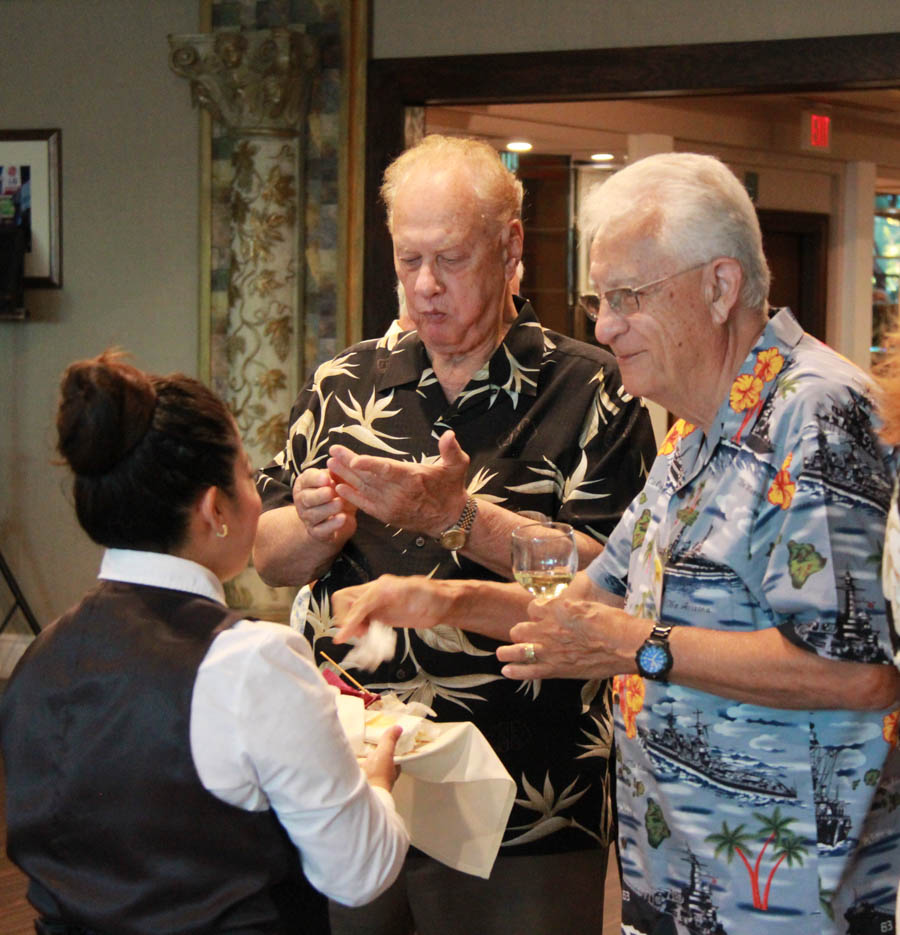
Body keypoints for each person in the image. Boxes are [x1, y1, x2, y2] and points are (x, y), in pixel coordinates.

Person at [253, 134, 657, 934]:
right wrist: (312, 526)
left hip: (527, 792)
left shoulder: (595, 387)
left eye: (452, 259)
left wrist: (457, 520)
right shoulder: (346, 382)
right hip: (354, 781)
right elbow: (266, 557)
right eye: (409, 261)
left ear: (510, 248)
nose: (427, 286)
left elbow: (618, 576)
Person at [491, 152, 900, 934]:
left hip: (792, 908)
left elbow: (860, 674)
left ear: (721, 287)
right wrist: (430, 594)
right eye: (597, 299)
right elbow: (587, 605)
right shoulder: (693, 434)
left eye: (627, 297)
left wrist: (642, 646)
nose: (604, 326)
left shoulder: (817, 416)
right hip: (680, 890)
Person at [0, 351, 408, 935]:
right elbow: (360, 872)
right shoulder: (252, 664)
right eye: (247, 474)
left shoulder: (36, 661)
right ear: (214, 508)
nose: (257, 494)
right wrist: (375, 785)